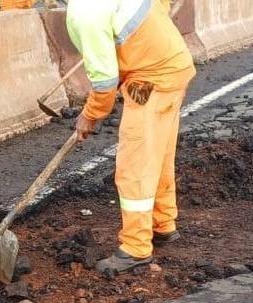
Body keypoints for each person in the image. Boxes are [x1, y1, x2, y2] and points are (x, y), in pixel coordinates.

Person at [67, 0, 195, 275]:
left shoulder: (84, 13)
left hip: (151, 81)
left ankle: (136, 248)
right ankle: (163, 225)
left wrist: (89, 115)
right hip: (173, 68)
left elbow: (104, 83)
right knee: (158, 155)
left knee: (134, 166)